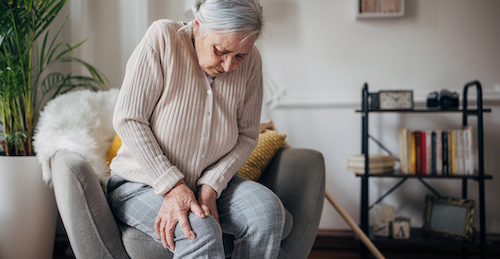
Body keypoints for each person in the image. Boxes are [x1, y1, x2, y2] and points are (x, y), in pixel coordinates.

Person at [106, 0, 287, 258]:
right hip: (140, 184)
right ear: (198, 26)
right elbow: (129, 118)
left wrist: (212, 184)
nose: (228, 66)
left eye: (239, 56)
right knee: (198, 229)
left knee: (267, 212)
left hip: (207, 183)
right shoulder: (163, 37)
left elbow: (247, 136)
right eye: (220, 50)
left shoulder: (252, 62)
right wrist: (173, 186)